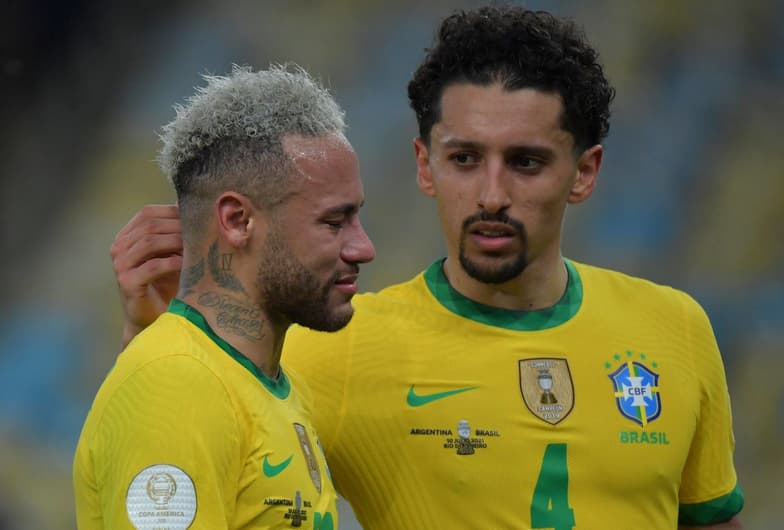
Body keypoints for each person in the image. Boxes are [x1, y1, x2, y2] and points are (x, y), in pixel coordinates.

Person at [110, 6, 744, 529]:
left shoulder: (676, 330)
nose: (491, 194)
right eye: (464, 158)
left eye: (525, 162)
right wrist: (155, 329)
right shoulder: (339, 349)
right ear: (423, 164)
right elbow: (182, 436)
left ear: (584, 173)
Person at [73, 64, 375, 529]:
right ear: (237, 221)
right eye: (335, 222)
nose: (363, 248)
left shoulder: (270, 388)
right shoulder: (177, 383)